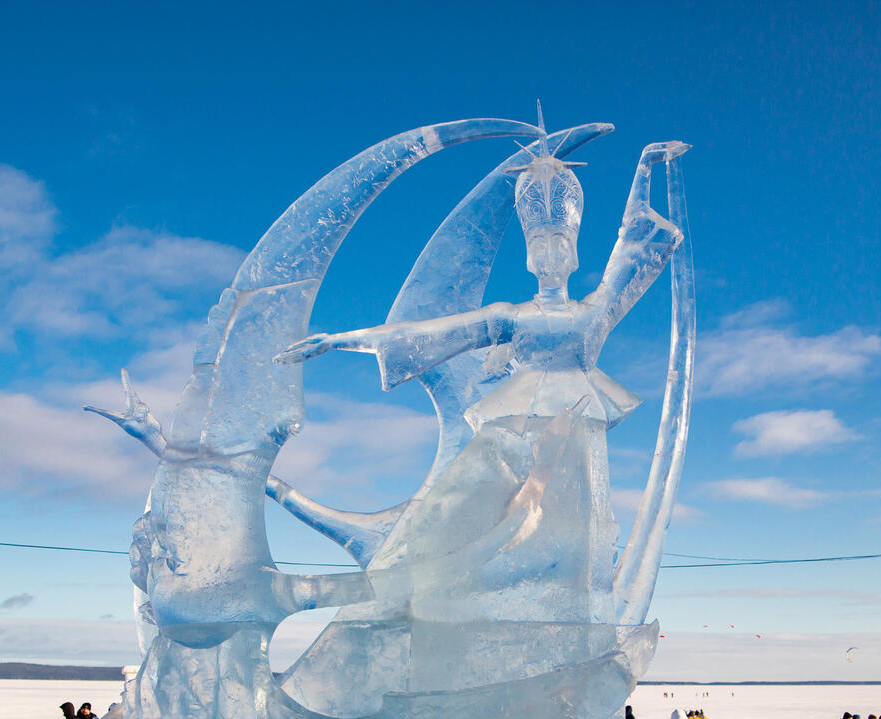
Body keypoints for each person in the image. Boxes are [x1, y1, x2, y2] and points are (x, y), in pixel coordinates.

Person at [277, 141, 689, 645]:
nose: (549, 253)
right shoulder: (510, 318)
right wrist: (340, 341)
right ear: (528, 252)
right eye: (539, 243)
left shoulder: (593, 313)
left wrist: (643, 167)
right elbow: (427, 333)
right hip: (514, 437)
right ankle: (402, 592)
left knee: (576, 547)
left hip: (578, 445)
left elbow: (629, 248)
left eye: (559, 242)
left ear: (574, 250)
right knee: (459, 522)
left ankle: (564, 637)